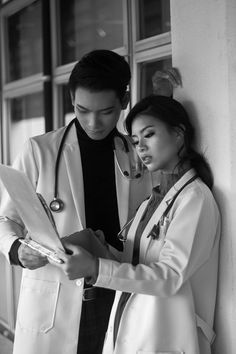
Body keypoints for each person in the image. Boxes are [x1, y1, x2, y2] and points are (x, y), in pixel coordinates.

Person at [0, 50, 152, 354]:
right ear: (72, 100)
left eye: (106, 112)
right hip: (57, 298)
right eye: (82, 110)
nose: (93, 122)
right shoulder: (39, 151)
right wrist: (17, 249)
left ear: (124, 101)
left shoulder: (138, 156)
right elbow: (6, 219)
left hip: (118, 291)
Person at [53, 95, 221, 354]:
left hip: (166, 335)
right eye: (135, 141)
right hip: (132, 326)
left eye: (149, 135)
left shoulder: (194, 199)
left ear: (179, 135)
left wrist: (98, 268)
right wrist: (102, 250)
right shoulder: (153, 199)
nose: (140, 147)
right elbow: (139, 263)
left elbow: (169, 277)